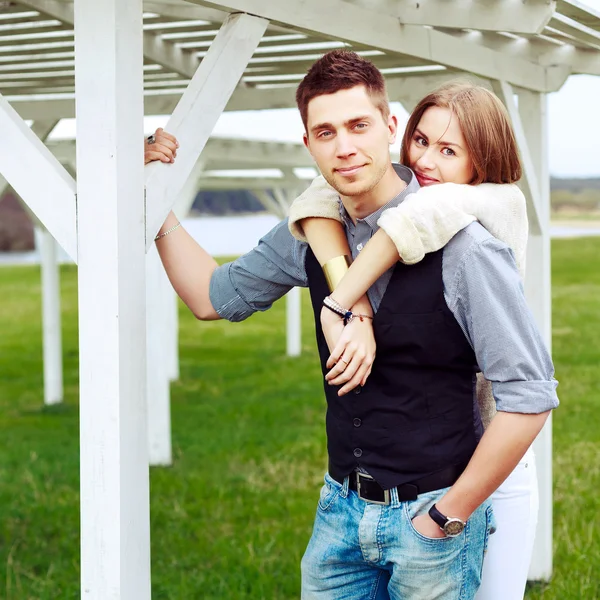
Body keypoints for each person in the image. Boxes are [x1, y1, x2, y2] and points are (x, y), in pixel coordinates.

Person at [146, 50, 558, 599]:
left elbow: (529, 395)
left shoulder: (466, 246)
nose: (344, 147)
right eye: (325, 132)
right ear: (308, 144)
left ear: (390, 127)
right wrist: (155, 200)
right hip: (338, 515)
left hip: (432, 517)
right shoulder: (312, 228)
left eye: (359, 125)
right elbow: (211, 296)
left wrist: (445, 516)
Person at [283, 81, 539, 599]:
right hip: (435, 456)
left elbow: (416, 219)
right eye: (421, 140)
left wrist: (342, 306)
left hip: (493, 458)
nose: (425, 160)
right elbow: (317, 199)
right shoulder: (421, 201)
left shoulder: (487, 206)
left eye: (449, 150)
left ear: (482, 162)